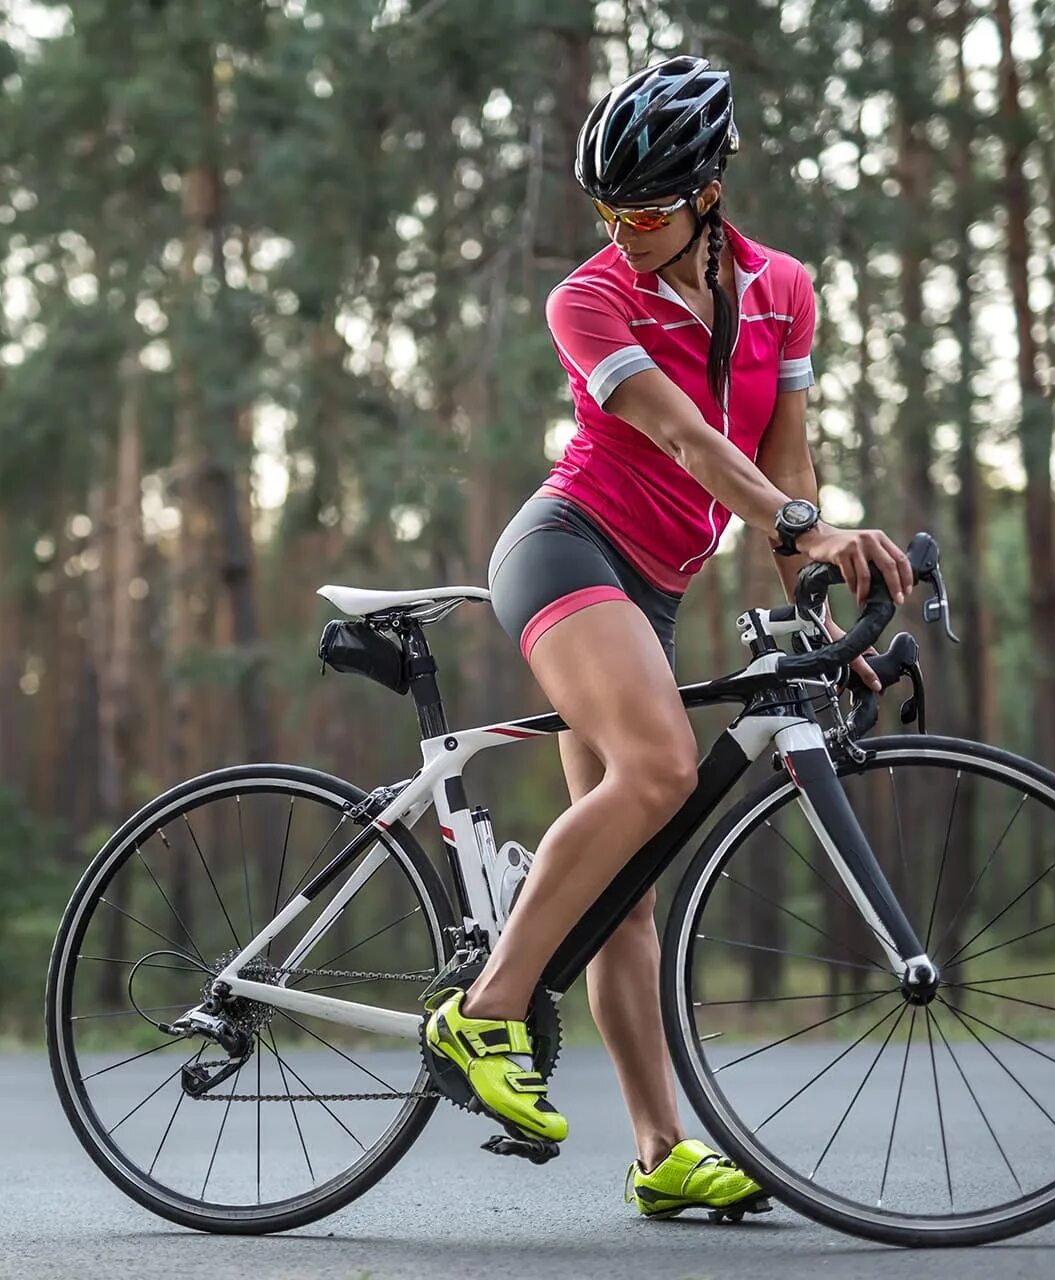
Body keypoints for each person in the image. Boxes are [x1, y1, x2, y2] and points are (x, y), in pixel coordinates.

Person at [422, 55, 915, 1219]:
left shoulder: (784, 288)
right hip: (565, 551)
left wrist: (825, 617)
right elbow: (691, 441)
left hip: (649, 591)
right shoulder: (587, 298)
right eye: (606, 212)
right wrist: (811, 523)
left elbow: (785, 472)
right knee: (657, 770)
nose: (623, 232)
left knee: (628, 884)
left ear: (708, 190)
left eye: (643, 210)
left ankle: (660, 1152)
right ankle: (484, 1011)